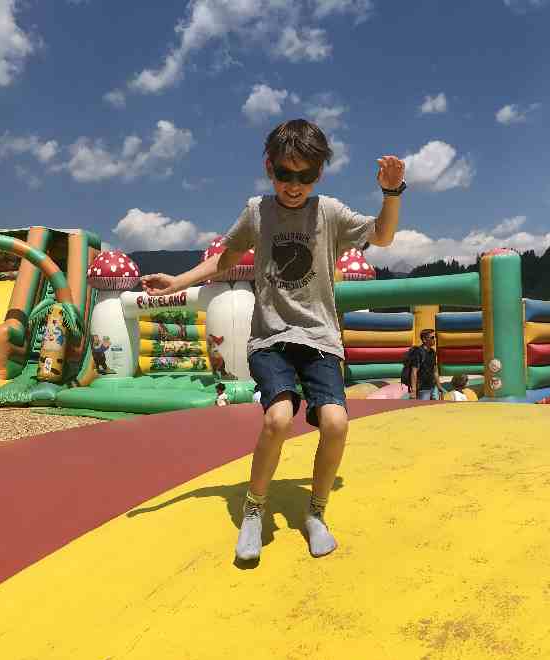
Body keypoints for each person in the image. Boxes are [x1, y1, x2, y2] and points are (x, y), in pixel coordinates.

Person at [141, 118, 405, 561]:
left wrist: (391, 194)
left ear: (319, 174)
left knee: (337, 423)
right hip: (272, 336)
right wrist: (176, 283)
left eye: (305, 176)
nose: (295, 185)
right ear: (270, 169)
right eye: (286, 174)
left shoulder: (329, 213)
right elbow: (223, 259)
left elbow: (382, 235)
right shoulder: (257, 212)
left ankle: (316, 513)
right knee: (278, 419)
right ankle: (253, 508)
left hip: (320, 336)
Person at [408, 329, 443, 400]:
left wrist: (439, 386)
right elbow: (414, 372)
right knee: (423, 408)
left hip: (433, 387)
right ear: (424, 339)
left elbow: (435, 371)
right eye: (432, 337)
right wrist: (414, 390)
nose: (435, 339)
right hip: (423, 388)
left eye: (435, 337)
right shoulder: (418, 352)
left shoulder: (433, 352)